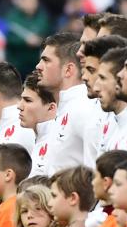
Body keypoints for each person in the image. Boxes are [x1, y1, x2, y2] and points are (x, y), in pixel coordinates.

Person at [35, 33, 101, 171]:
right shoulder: (66, 108)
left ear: (68, 70)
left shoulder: (84, 109)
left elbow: (96, 167)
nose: (38, 66)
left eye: (46, 60)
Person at [20, 70, 59, 177]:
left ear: (51, 108)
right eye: (21, 99)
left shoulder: (57, 143)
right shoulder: (39, 138)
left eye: (27, 100)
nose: (19, 106)